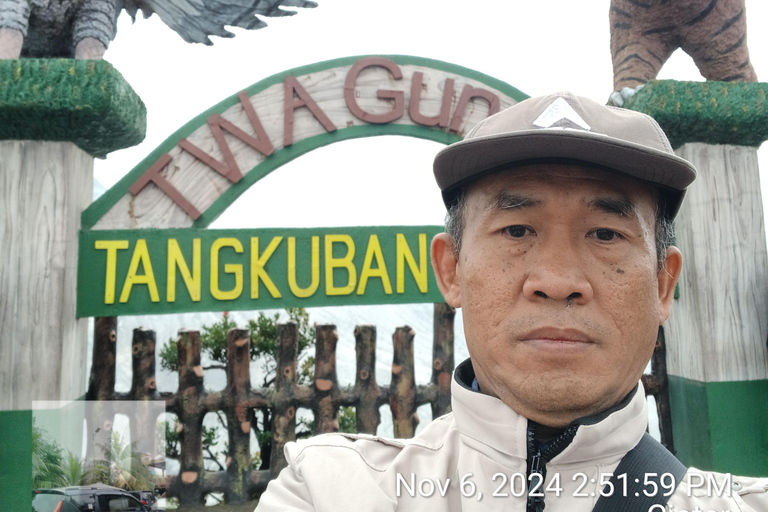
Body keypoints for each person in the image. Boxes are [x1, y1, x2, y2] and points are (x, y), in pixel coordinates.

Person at [255, 92, 768, 511]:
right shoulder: (330, 490)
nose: (559, 281)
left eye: (606, 234)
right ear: (451, 270)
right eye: (517, 229)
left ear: (662, 285)